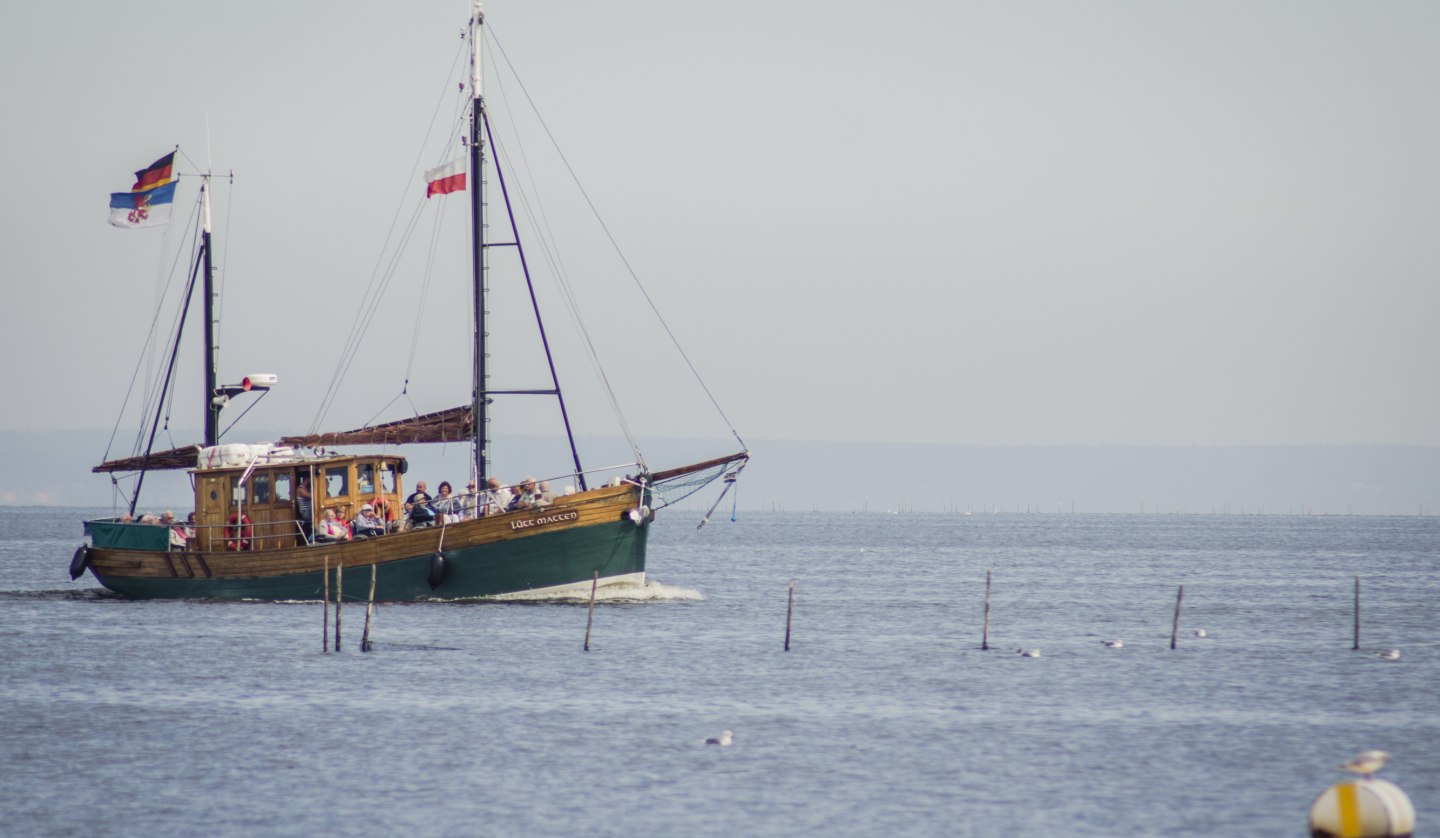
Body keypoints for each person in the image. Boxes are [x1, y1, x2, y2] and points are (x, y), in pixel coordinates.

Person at [295, 474, 314, 541]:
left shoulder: (306, 489)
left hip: (308, 510)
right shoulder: (300, 489)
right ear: (307, 479)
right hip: (305, 512)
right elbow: (311, 496)